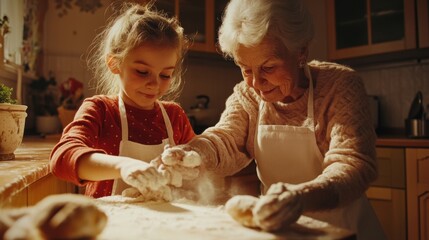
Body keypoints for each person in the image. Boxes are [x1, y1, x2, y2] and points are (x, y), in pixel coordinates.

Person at [162, 0, 386, 239]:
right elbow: (226, 139)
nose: (256, 83)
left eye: (268, 68)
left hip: (344, 229)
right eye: (245, 69)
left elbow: (352, 163)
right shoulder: (247, 94)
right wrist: (192, 153)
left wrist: (301, 197)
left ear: (301, 51)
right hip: (280, 229)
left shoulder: (339, 86)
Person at [50, 3, 195, 199]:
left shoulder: (174, 116)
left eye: (166, 75)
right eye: (142, 72)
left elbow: (199, 165)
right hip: (107, 223)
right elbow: (62, 158)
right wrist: (124, 166)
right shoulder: (100, 110)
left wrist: (191, 166)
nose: (154, 83)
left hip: (162, 225)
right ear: (115, 63)